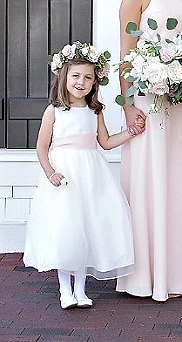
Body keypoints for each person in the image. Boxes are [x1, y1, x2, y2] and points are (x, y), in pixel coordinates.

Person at [116, 0, 182, 302]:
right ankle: (149, 274)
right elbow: (127, 55)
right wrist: (128, 107)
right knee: (154, 179)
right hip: (150, 101)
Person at [24, 45, 139, 309]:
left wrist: (130, 132)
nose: (81, 82)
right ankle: (65, 290)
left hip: (91, 174)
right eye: (75, 76)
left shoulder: (94, 111)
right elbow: (41, 147)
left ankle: (81, 290)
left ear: (95, 82)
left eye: (88, 77)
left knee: (86, 228)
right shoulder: (54, 111)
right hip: (65, 176)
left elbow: (106, 142)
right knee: (67, 230)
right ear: (64, 77)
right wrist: (51, 173)